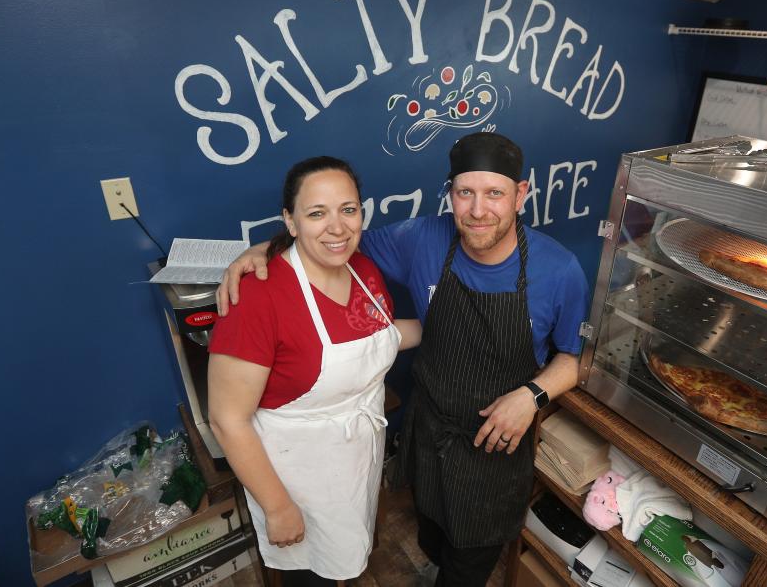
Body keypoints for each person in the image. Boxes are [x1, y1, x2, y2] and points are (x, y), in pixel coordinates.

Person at [217, 133, 589, 587]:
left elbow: (574, 357)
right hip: (429, 429)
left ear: (521, 194)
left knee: (469, 560)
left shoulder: (560, 269)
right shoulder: (419, 238)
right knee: (432, 532)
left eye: (495, 193)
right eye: (464, 193)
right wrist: (263, 252)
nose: (477, 210)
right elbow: (330, 241)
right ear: (449, 194)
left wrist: (532, 395)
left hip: (497, 438)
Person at [207, 156, 421, 587]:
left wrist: (446, 327)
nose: (337, 227)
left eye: (348, 209)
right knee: (312, 574)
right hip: (296, 475)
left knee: (347, 551)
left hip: (355, 455)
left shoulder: (363, 270)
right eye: (316, 213)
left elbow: (380, 335)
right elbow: (226, 419)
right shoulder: (257, 297)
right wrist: (277, 506)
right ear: (290, 220)